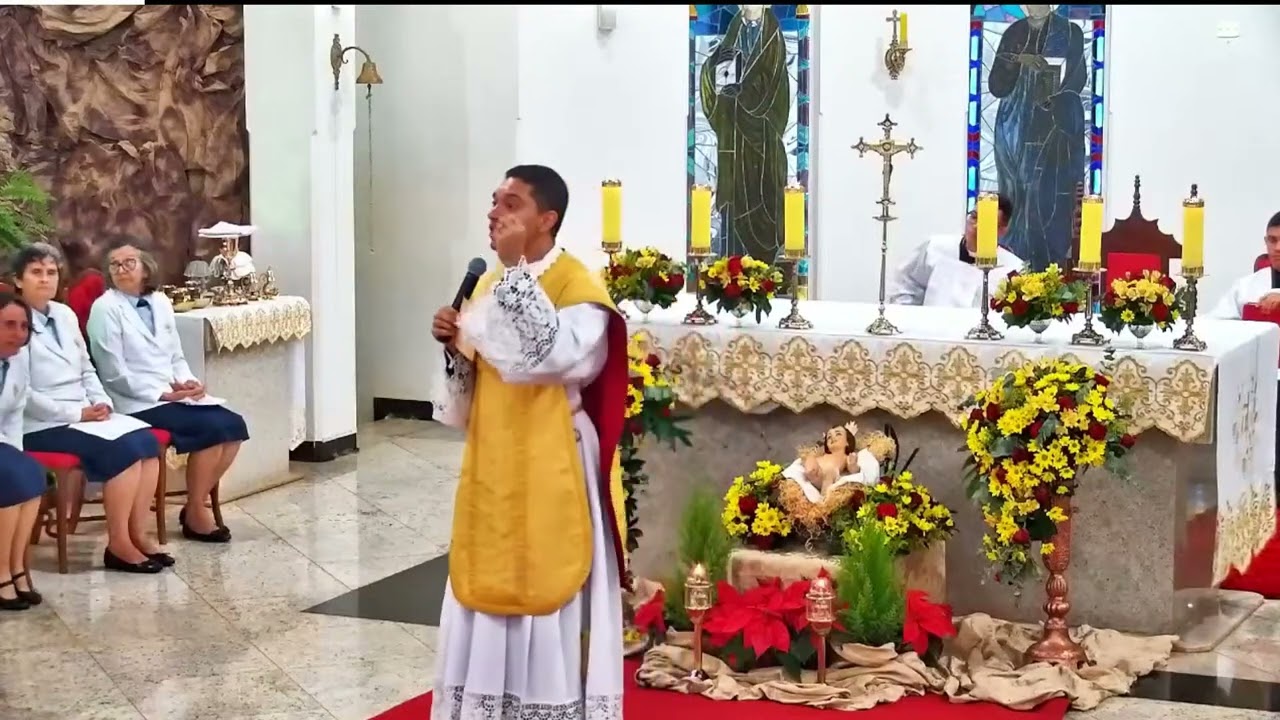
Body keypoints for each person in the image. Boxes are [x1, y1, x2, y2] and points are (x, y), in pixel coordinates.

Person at [430, 164, 628, 719]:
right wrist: (454, 347)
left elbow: (556, 358)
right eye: (494, 201)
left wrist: (516, 275)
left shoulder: (576, 286)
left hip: (555, 454)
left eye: (511, 203)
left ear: (547, 219)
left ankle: (547, 702)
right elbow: (462, 402)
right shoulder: (488, 285)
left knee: (547, 578)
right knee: (487, 575)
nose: (494, 212)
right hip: (494, 453)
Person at [12, 243, 170, 573]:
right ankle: (118, 545)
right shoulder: (12, 322)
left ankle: (136, 533)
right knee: (122, 452)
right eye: (36, 273)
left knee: (147, 443)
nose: (45, 280)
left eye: (51, 272)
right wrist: (76, 414)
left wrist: (102, 403)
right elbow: (21, 394)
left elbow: (87, 367)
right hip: (40, 424)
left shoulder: (64, 315)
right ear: (18, 280)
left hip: (83, 413)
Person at [86, 237, 249, 543]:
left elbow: (175, 355)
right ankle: (198, 513)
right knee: (212, 430)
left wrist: (187, 382)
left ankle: (193, 505)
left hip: (171, 394)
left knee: (233, 426)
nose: (121, 269)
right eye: (115, 265)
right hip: (136, 400)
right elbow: (113, 374)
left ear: (145, 268)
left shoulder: (160, 301)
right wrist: (163, 395)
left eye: (129, 263)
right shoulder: (104, 309)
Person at [989, 4, 1087, 270]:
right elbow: (996, 85)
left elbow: (1078, 78)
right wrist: (1019, 60)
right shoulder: (1014, 31)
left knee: (1047, 191)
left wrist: (1053, 99)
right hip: (1015, 125)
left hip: (1055, 125)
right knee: (1016, 190)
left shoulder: (1069, 31)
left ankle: (1049, 264)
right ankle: (1012, 263)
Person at [0, 292, 47, 610]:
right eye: (8, 325)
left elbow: (14, 415)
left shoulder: (17, 361)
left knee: (30, 473)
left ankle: (17, 566)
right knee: (12, 479)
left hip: (3, 440)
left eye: (24, 327)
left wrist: (14, 453)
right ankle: (0, 570)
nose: (18, 334)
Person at [889, 194, 1022, 307]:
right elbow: (905, 284)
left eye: (986, 222)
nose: (976, 226)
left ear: (1002, 230)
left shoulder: (1013, 269)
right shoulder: (935, 248)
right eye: (974, 217)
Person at [1208, 211, 1280, 319]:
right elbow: (1216, 322)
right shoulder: (1245, 286)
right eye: (1272, 240)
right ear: (1266, 241)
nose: (1277, 248)